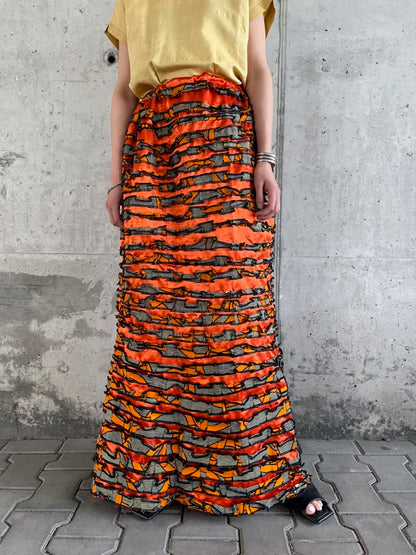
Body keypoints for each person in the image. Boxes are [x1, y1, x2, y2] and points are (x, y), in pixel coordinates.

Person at [91, 0, 333, 525]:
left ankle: (270, 470)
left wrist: (265, 159)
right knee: (154, 317)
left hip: (225, 144)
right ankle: (150, 473)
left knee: (236, 315)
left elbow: (258, 70)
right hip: (152, 153)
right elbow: (124, 90)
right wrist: (116, 179)